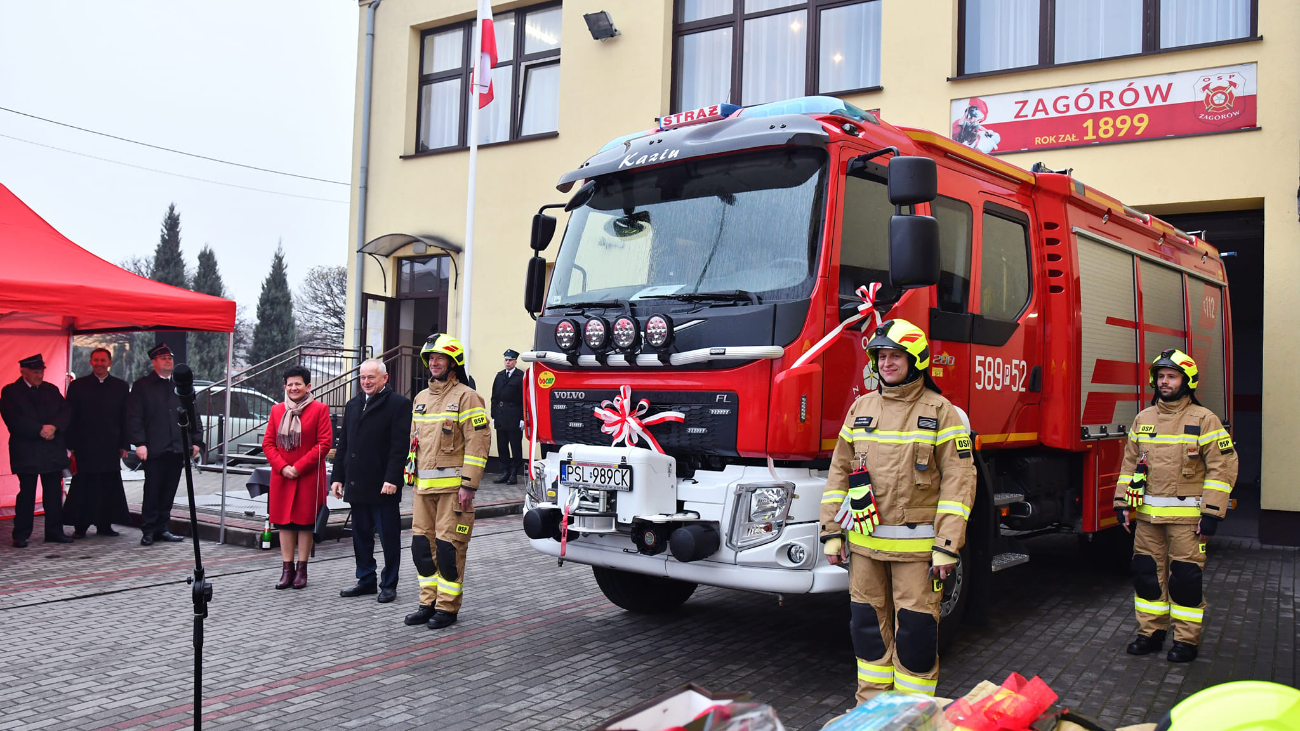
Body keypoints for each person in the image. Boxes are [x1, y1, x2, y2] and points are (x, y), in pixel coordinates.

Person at [820, 320, 976, 702]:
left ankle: (913, 717)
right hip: (864, 547)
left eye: (896, 356)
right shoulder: (861, 407)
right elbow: (840, 471)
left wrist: (947, 545)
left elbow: (959, 482)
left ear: (915, 360)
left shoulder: (942, 412)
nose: (887, 363)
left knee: (917, 636)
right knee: (868, 632)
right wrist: (830, 532)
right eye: (882, 356)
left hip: (918, 552)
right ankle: (872, 713)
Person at [1116, 349, 1238, 664]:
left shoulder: (1204, 419)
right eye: (1160, 376)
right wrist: (1122, 504)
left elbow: (1222, 469)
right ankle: (1150, 634)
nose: (1164, 382)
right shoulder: (1143, 419)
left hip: (1187, 519)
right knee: (1146, 575)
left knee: (1185, 579)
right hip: (1146, 518)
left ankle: (1185, 641)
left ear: (1187, 381)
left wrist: (1211, 514)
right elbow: (1129, 466)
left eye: (1171, 376)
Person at [403, 334, 491, 630]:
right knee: (420, 549)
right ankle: (426, 603)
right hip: (422, 490)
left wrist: (468, 486)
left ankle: (447, 607)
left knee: (448, 549)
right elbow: (414, 444)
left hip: (453, 492)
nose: (434, 363)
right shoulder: (420, 399)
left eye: (440, 358)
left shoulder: (467, 397)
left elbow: (478, 444)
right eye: (430, 359)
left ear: (454, 362)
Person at [332, 359, 412, 604]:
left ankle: (389, 584)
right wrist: (337, 477)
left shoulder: (399, 404)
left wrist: (392, 478)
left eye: (371, 378)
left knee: (389, 537)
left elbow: (400, 447)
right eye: (363, 377)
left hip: (383, 485)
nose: (366, 382)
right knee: (360, 535)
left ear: (384, 379)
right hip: (357, 483)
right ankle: (365, 579)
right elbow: (343, 444)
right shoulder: (353, 404)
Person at [262, 365, 333, 589]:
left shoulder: (320, 409)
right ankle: (286, 569)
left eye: (298, 384)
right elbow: (268, 443)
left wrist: (299, 467)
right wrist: (283, 467)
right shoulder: (276, 411)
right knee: (284, 523)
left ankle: (302, 569)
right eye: (290, 384)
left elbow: (324, 444)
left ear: (308, 386)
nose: (294, 388)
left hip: (309, 476)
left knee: (304, 524)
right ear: (285, 387)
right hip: (282, 476)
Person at [126, 343, 201, 546]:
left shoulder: (180, 385)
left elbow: (193, 413)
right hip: (154, 447)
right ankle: (149, 529)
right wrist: (139, 443)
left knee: (169, 490)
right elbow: (134, 417)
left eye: (170, 357)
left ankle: (162, 527)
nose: (168, 360)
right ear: (154, 362)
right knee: (152, 490)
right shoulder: (143, 386)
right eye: (163, 358)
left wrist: (196, 440)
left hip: (177, 447)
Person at [1, 354, 73, 546]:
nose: (39, 375)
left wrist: (54, 427)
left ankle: (54, 532)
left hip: (51, 450)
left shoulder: (50, 390)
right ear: (23, 371)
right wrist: (39, 430)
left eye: (41, 371)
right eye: (35, 372)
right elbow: (13, 419)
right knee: (27, 493)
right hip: (27, 451)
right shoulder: (10, 392)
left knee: (52, 493)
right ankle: (21, 534)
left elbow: (66, 411)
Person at [63, 347, 131, 537]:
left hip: (110, 446)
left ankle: (104, 525)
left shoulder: (121, 386)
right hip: (85, 446)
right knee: (84, 486)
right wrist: (69, 445)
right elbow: (70, 416)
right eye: (96, 360)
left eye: (103, 360)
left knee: (108, 486)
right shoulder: (78, 386)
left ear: (109, 362)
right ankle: (80, 526)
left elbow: (125, 417)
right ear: (91, 362)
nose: (99, 364)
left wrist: (124, 444)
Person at [490, 349, 525, 485]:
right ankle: (505, 471)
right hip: (501, 415)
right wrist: (493, 415)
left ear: (515, 361)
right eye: (506, 360)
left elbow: (524, 399)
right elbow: (494, 397)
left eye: (510, 360)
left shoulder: (520, 376)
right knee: (502, 446)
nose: (507, 362)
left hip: (514, 416)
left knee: (515, 447)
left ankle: (514, 473)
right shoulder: (499, 376)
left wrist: (523, 418)